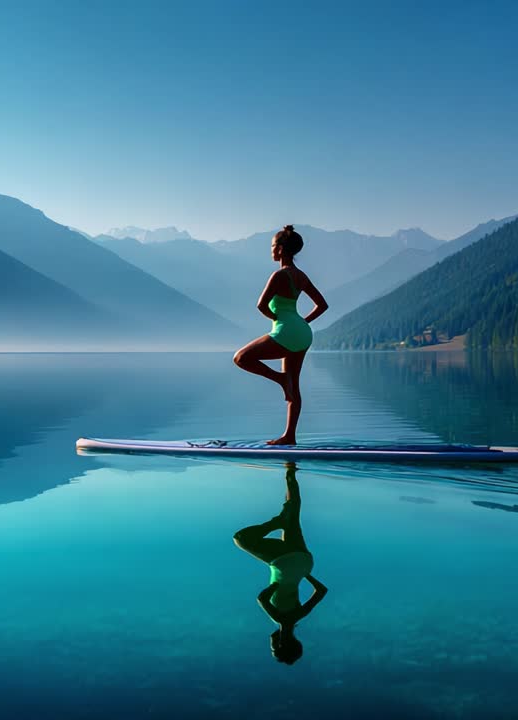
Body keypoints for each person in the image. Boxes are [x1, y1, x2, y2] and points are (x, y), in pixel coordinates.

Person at [232, 225, 328, 445]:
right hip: (303, 333)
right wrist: (302, 323)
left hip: (285, 330)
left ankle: (280, 379)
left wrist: (275, 318)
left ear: (282, 249)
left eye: (273, 246)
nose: (271, 250)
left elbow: (261, 305)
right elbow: (322, 305)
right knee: (295, 384)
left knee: (241, 358)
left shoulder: (278, 275)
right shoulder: (301, 276)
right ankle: (289, 435)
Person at [232, 463, 327, 665]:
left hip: (304, 563)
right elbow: (262, 598)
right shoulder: (282, 621)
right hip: (283, 564)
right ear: (283, 643)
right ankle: (277, 521)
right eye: (274, 648)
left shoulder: (299, 616)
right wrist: (276, 585)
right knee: (241, 539)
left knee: (293, 510)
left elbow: (321, 591)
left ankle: (290, 469)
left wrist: (305, 574)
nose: (271, 644)